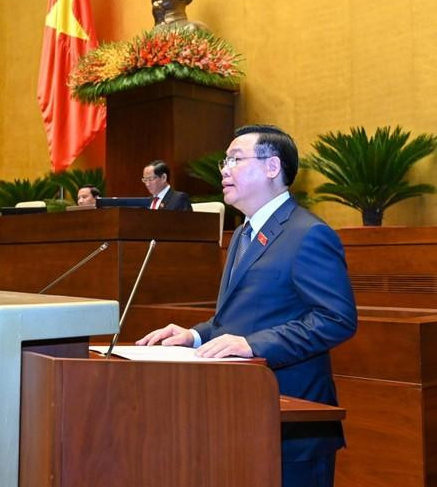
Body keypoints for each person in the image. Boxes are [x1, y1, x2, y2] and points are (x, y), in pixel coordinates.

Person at [136, 125, 358, 487]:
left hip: (291, 421)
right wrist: (194, 335)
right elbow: (243, 316)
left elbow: (337, 319)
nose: (224, 169)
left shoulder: (308, 233)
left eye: (235, 159)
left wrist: (253, 345)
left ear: (272, 167)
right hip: (241, 414)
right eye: (225, 160)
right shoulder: (241, 233)